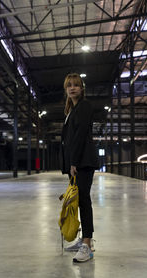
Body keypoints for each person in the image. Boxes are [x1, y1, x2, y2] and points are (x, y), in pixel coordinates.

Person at [60, 73, 99, 262]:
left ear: (81, 88)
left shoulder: (84, 106)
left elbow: (80, 135)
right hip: (76, 163)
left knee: (84, 201)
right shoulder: (71, 110)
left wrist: (73, 162)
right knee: (78, 201)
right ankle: (83, 241)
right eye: (69, 86)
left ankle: (87, 245)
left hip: (83, 162)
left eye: (76, 85)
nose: (72, 88)